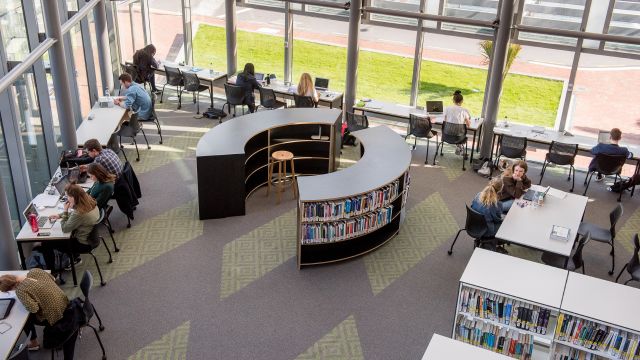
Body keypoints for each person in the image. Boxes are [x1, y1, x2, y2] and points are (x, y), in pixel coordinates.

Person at [0, 268, 70, 353]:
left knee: (26, 320)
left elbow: (34, 309)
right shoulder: (35, 271)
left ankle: (34, 344)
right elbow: (53, 279)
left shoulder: (20, 290)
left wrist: (26, 303)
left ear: (10, 288)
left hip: (56, 315)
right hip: (66, 304)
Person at [43, 184, 100, 270]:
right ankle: (75, 258)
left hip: (83, 245)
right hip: (92, 239)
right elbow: (75, 214)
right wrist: (59, 215)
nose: (67, 199)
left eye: (68, 196)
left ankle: (53, 272)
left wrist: (65, 211)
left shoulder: (79, 213)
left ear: (74, 197)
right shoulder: (90, 202)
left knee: (46, 244)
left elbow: (65, 228)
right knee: (70, 234)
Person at [443, 90, 471, 156]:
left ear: (453, 100)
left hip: (447, 135)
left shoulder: (447, 108)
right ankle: (459, 147)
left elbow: (445, 120)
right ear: (462, 101)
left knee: (454, 130)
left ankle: (459, 147)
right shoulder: (464, 110)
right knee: (459, 132)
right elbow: (468, 125)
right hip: (459, 138)